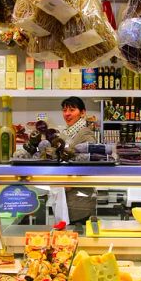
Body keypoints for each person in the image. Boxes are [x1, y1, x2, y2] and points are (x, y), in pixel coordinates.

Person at [58, 97, 97, 227]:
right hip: (65, 200)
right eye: (64, 110)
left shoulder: (86, 134)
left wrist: (69, 183)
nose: (67, 114)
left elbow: (89, 164)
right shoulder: (64, 134)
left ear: (82, 113)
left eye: (72, 110)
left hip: (81, 202)